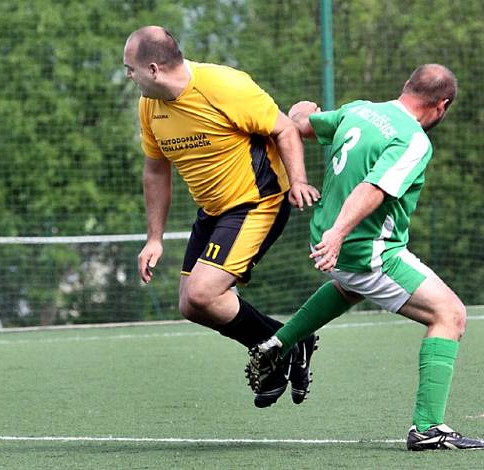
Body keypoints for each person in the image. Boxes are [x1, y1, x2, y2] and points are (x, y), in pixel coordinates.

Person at [246, 64, 484, 450]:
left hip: (330, 244)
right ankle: (428, 428)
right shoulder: (413, 140)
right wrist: (339, 234)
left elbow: (301, 124)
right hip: (366, 251)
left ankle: (280, 342)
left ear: (406, 86)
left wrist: (301, 108)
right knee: (450, 315)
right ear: (442, 105)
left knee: (350, 287)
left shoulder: (358, 110)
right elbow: (374, 188)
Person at [123, 26, 320, 408]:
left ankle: (280, 349)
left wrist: (298, 181)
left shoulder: (224, 86)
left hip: (257, 201)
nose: (127, 76)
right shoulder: (150, 105)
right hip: (213, 211)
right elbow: (155, 170)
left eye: (130, 69)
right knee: (190, 304)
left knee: (203, 291)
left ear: (153, 68)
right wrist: (154, 238)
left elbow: (284, 128)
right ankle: (288, 343)